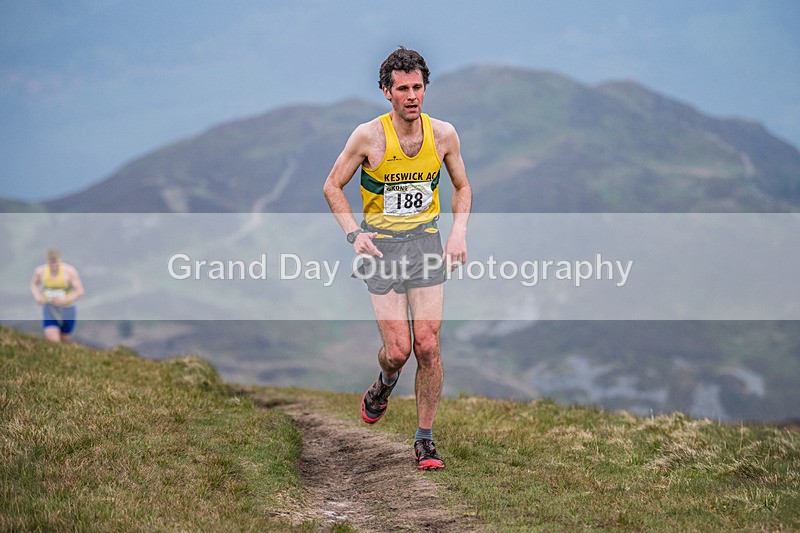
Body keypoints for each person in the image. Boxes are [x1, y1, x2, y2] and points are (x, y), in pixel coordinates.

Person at [323, 47, 472, 470]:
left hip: (425, 243)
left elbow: (463, 187)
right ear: (386, 92)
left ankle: (425, 440)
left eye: (418, 87)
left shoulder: (443, 135)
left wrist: (457, 233)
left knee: (427, 344)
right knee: (399, 350)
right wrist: (354, 233)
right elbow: (332, 186)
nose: (412, 96)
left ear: (425, 88)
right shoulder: (367, 137)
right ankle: (384, 383)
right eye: (403, 89)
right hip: (381, 248)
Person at [30, 248, 85, 343]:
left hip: (67, 310)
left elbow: (80, 291)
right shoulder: (40, 272)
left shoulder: (69, 272)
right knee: (53, 341)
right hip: (50, 309)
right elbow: (33, 284)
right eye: (51, 264)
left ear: (60, 260)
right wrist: (38, 297)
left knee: (64, 340)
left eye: (55, 263)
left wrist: (65, 300)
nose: (54, 267)